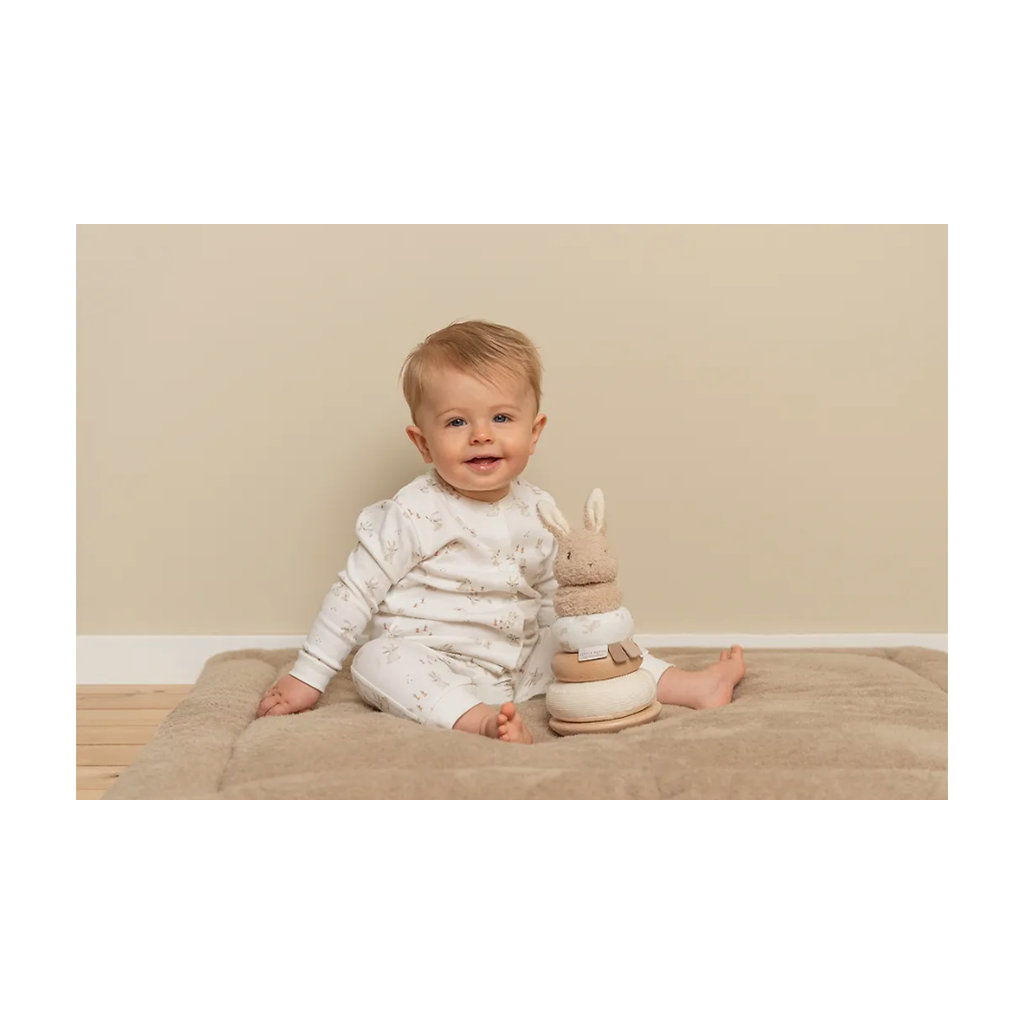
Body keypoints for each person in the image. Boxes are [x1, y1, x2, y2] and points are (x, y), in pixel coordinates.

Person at [257, 320, 746, 742]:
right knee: (375, 659)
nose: (481, 434)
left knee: (581, 637)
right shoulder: (413, 511)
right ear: (423, 444)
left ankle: (689, 685)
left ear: (533, 433)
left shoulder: (538, 508)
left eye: (502, 417)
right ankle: (478, 721)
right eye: (456, 422)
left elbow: (555, 597)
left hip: (524, 662)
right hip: (434, 661)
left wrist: (583, 637)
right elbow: (353, 594)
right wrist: (308, 676)